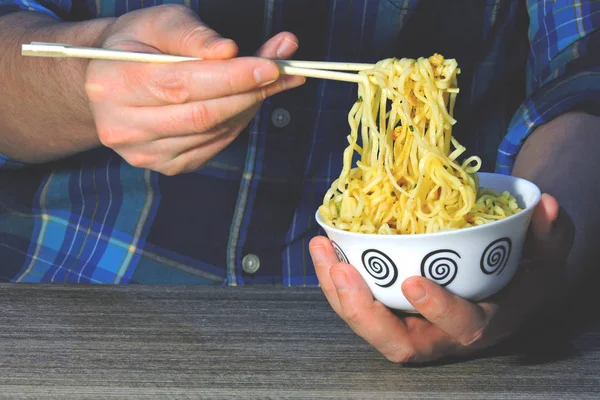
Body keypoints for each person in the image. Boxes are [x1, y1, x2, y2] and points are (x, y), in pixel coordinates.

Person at [0, 0, 599, 363]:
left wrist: (546, 241)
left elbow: (584, 71)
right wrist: (86, 72)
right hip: (72, 311)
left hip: (448, 335)